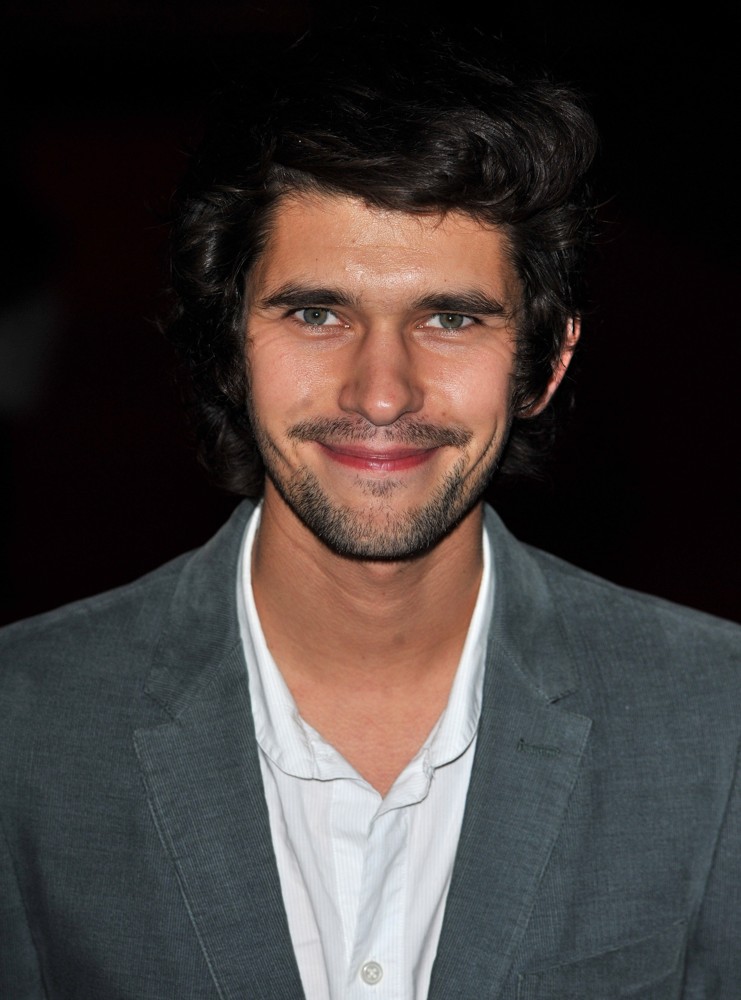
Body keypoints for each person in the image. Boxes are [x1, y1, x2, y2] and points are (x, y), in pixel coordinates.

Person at [1, 20, 740, 1000]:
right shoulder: (26, 721)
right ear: (229, 349)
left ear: (547, 363)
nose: (381, 392)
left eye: (450, 317)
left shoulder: (716, 722)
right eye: (317, 312)